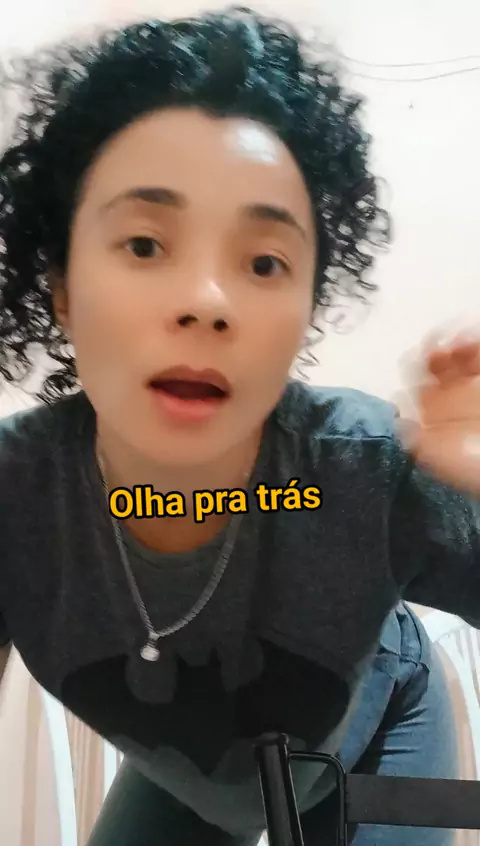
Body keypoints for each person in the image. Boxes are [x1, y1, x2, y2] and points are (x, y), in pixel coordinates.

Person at [0, 6, 478, 845]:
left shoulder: (361, 465)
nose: (207, 302)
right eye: (145, 245)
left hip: (375, 721)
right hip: (201, 771)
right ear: (62, 286)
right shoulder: (18, 496)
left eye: (264, 261)